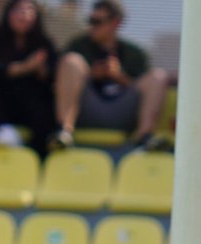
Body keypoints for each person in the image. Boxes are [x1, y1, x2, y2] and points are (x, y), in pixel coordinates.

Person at [51, 0, 169, 153]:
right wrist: (92, 74)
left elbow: (142, 86)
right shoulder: (78, 45)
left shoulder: (134, 53)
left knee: (158, 76)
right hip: (87, 109)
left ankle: (145, 137)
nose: (92, 26)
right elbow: (62, 77)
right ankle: (65, 132)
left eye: (97, 21)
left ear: (116, 23)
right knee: (71, 61)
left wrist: (119, 77)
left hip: (122, 112)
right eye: (90, 21)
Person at [0, 0, 56, 152]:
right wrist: (25, 67)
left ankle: (38, 155)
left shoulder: (43, 43)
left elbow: (51, 77)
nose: (24, 14)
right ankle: (6, 131)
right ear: (8, 14)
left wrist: (42, 69)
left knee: (46, 105)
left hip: (31, 106)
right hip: (2, 106)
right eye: (18, 10)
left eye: (29, 10)